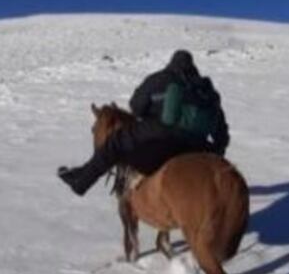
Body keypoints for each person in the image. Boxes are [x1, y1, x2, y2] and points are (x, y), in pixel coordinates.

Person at [57, 49, 230, 196]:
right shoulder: (207, 90)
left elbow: (136, 107)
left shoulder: (159, 78)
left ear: (172, 63)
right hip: (199, 148)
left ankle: (80, 184)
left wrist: (153, 113)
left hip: (161, 141)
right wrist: (216, 153)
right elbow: (221, 134)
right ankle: (81, 170)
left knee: (114, 144)